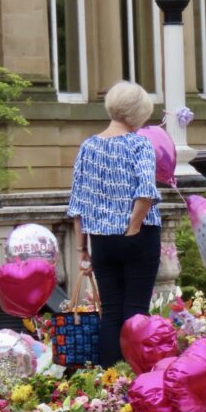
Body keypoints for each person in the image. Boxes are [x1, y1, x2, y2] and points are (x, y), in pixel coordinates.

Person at [67, 81, 161, 367]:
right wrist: (133, 227)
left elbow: (77, 203)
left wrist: (82, 247)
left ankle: (108, 381)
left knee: (110, 313)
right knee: (135, 311)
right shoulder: (140, 144)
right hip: (138, 235)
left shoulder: (88, 147)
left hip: (101, 239)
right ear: (138, 113)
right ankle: (135, 378)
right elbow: (145, 192)